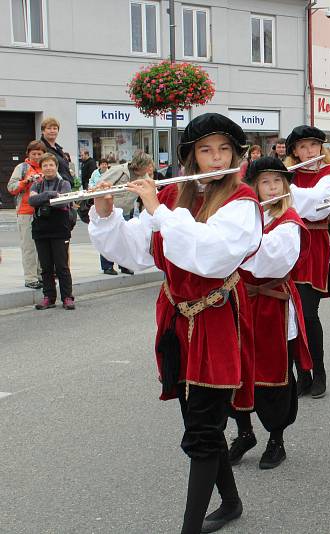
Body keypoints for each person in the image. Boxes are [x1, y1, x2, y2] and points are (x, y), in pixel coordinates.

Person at [88, 113, 262, 534]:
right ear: (190, 157)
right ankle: (232, 502)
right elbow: (137, 253)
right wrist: (106, 211)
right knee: (196, 422)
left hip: (217, 316)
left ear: (237, 156)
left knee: (203, 429)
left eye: (224, 150)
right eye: (205, 150)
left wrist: (157, 210)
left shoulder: (242, 202)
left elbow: (210, 254)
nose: (215, 157)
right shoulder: (173, 197)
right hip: (176, 317)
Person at [227, 156, 313, 469]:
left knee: (273, 375)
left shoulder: (288, 219)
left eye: (278, 181)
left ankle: (276, 438)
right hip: (241, 303)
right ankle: (244, 431)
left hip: (272, 305)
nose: (273, 187)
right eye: (265, 182)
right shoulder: (247, 216)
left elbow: (270, 260)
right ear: (255, 187)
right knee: (236, 372)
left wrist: (233, 244)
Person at [284, 125, 330, 399]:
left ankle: (319, 373)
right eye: (303, 147)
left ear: (321, 148)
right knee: (291, 316)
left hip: (314, 246)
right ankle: (302, 375)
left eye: (314, 146)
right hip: (288, 243)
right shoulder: (287, 175)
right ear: (295, 152)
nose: (309, 151)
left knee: (307, 314)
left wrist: (287, 196)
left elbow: (320, 203)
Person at [27, 153, 75, 310]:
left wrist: (43, 199)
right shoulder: (36, 185)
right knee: (46, 266)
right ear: (41, 168)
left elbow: (63, 203)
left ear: (56, 167)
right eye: (45, 165)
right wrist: (51, 195)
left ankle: (67, 297)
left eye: (51, 165)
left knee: (61, 266)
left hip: (59, 229)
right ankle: (49, 297)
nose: (48, 168)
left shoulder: (65, 183)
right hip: (41, 230)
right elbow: (32, 201)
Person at [96, 152, 155, 275]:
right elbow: (102, 183)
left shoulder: (145, 177)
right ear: (140, 165)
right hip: (112, 209)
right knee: (110, 238)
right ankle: (107, 266)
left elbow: (151, 191)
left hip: (127, 210)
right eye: (148, 165)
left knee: (125, 239)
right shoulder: (120, 170)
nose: (150, 168)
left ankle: (124, 265)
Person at [8, 140, 46, 289]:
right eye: (34, 154)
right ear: (28, 154)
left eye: (39, 154)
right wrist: (26, 181)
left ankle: (40, 275)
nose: (36, 156)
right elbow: (11, 188)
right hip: (26, 212)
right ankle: (30, 278)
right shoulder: (22, 167)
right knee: (29, 246)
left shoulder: (46, 167)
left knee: (41, 246)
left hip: (42, 212)